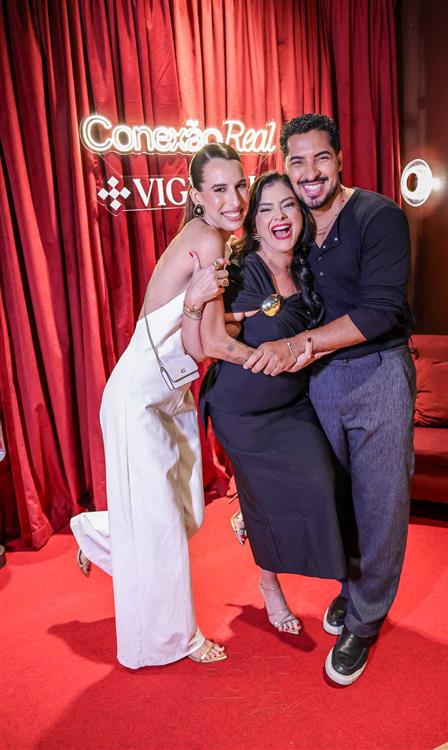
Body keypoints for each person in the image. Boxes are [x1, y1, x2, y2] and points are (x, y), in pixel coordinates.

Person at [243, 114, 416, 685]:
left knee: (381, 505)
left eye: (321, 157)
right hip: (316, 381)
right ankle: (352, 587)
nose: (310, 172)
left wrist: (300, 344)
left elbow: (380, 311)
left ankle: (365, 621)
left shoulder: (379, 216)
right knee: (335, 498)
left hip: (377, 374)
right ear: (287, 167)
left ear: (339, 158)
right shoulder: (294, 224)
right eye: (297, 161)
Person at [70, 143, 252, 669]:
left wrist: (239, 320)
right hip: (139, 399)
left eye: (240, 185)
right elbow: (204, 343)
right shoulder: (208, 241)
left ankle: (98, 531)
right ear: (197, 196)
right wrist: (273, 355)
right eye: (219, 189)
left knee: (182, 508)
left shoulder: (212, 238)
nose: (235, 200)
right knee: (164, 525)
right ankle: (176, 639)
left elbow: (199, 327)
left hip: (167, 394)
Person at [199, 171, 346, 635]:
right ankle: (269, 584)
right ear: (254, 222)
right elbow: (213, 336)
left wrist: (302, 355)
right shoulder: (243, 271)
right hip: (240, 411)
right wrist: (251, 348)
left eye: (287, 205)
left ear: (301, 213)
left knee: (321, 480)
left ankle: (251, 511)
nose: (278, 216)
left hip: (291, 405)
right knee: (266, 497)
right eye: (265, 209)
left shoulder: (310, 267)